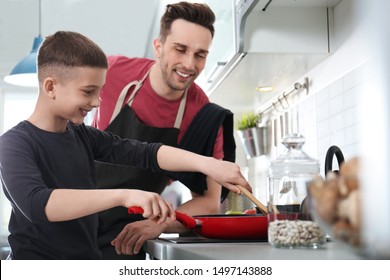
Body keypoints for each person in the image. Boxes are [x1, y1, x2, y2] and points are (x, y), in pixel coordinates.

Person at [0, 31, 251, 260]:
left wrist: (210, 164)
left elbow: (147, 152)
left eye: (99, 92)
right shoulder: (13, 144)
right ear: (51, 86)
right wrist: (124, 196)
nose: (97, 102)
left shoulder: (83, 136)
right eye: (88, 92)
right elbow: (37, 204)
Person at [91, 2, 239, 259]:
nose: (189, 64)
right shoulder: (110, 72)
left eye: (200, 54)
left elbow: (209, 202)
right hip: (75, 221)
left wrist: (158, 225)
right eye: (180, 49)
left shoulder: (204, 116)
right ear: (158, 47)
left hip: (125, 240)